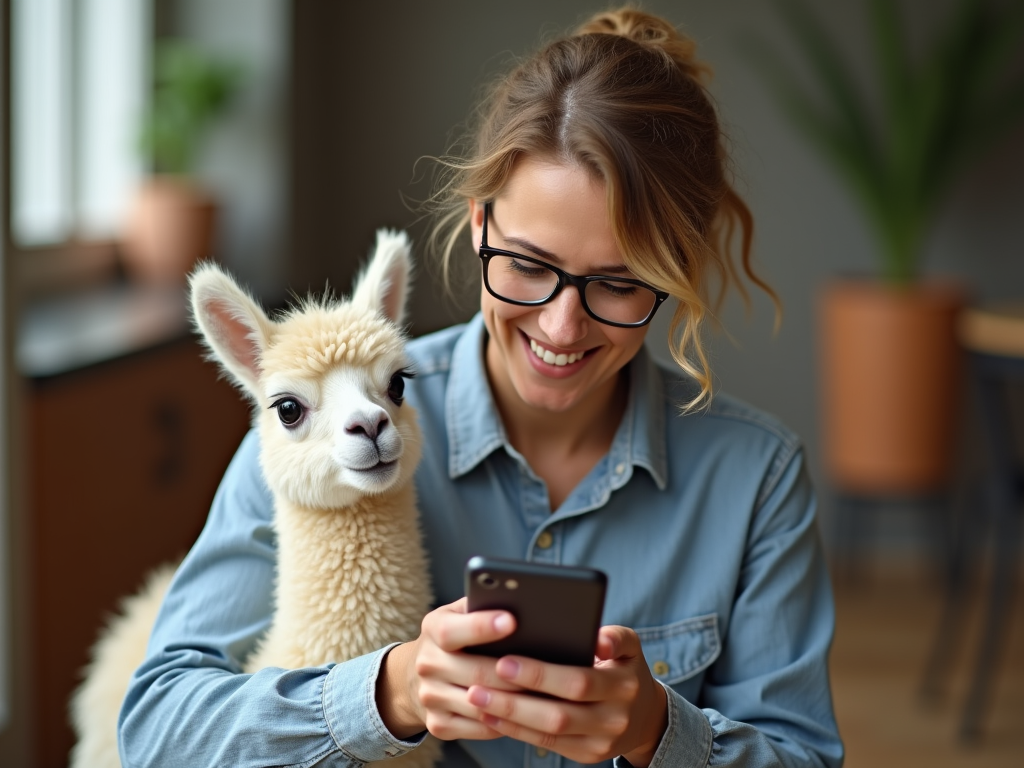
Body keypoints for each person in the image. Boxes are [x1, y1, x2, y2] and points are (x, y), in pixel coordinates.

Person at [120, 8, 843, 768]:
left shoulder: (756, 479)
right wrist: (389, 693)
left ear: (676, 274)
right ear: (478, 226)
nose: (563, 327)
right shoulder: (323, 433)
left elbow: (803, 756)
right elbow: (159, 731)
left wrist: (656, 732)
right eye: (528, 266)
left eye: (619, 283)